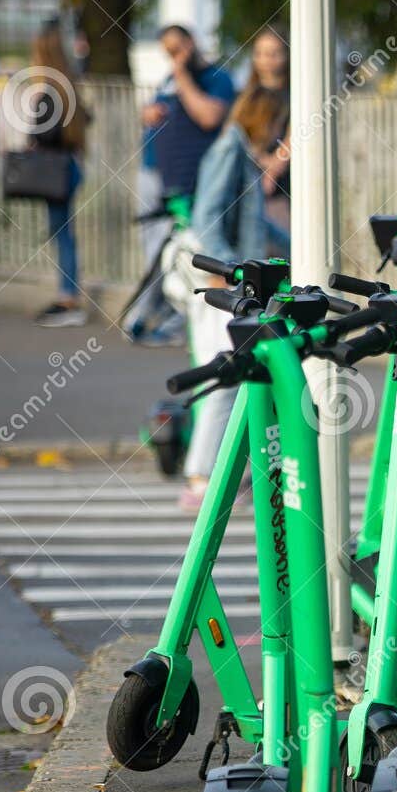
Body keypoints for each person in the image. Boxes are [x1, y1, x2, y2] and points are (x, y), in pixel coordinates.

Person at [178, 84, 291, 512]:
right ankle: (201, 478)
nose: (280, 134)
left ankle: (219, 473)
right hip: (223, 287)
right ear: (265, 117)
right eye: (279, 123)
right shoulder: (230, 149)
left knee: (234, 376)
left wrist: (301, 252)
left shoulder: (239, 152)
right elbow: (206, 218)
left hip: (234, 284)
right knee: (224, 378)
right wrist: (229, 271)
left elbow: (257, 225)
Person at [28, 23, 88, 328]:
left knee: (62, 234)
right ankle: (68, 294)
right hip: (70, 167)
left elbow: (43, 133)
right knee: (64, 233)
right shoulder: (68, 85)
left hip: (57, 171)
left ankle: (68, 298)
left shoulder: (49, 91)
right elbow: (86, 118)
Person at [141, 25, 234, 202]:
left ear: (190, 41)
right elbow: (151, 110)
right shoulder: (170, 79)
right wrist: (148, 112)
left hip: (191, 179)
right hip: (155, 170)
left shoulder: (217, 78)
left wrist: (182, 76)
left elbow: (209, 118)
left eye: (177, 50)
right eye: (169, 53)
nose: (175, 59)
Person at [246, 26, 291, 236]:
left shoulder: (293, 96)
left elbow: (291, 143)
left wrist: (273, 167)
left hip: (280, 193)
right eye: (261, 54)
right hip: (248, 188)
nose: (267, 60)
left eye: (274, 54)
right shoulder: (247, 96)